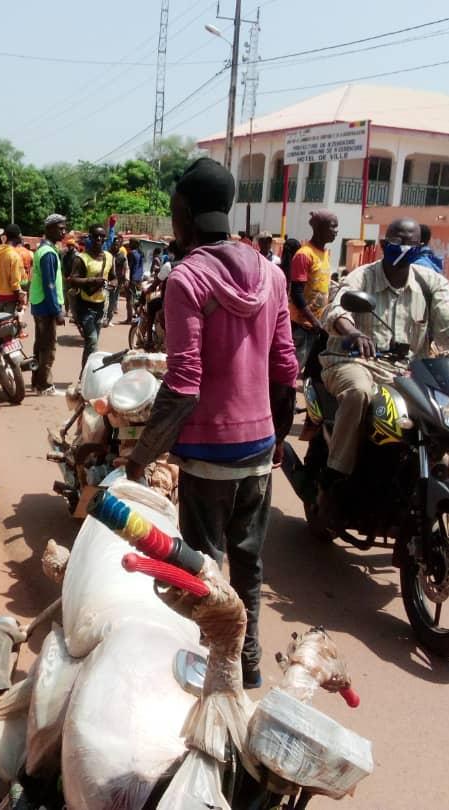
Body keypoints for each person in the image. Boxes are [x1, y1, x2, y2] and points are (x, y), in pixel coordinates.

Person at [125, 157, 299, 689]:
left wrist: (140, 456)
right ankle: (248, 665)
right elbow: (286, 367)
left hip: (208, 454)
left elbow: (184, 383)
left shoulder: (186, 278)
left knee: (202, 572)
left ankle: (209, 676)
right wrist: (278, 437)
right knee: (248, 563)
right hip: (259, 444)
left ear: (184, 213)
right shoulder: (272, 274)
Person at [320, 217, 449, 501]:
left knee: (446, 408)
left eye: (410, 242)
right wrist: (354, 332)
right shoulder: (363, 276)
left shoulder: (431, 283)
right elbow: (337, 310)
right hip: (356, 363)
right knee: (359, 392)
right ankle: (336, 472)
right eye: (396, 241)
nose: (402, 247)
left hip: (409, 373)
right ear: (383, 244)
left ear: (421, 247)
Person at [289, 210, 338, 376]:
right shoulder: (304, 255)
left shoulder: (325, 254)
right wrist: (313, 320)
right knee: (292, 371)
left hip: (317, 325)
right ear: (319, 228)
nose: (336, 231)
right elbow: (296, 293)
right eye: (333, 227)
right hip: (301, 325)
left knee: (311, 372)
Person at [67, 224, 115, 368]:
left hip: (101, 305)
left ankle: (85, 374)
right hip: (84, 305)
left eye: (102, 236)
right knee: (92, 341)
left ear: (105, 239)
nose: (99, 239)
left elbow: (113, 277)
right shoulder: (81, 258)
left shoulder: (109, 257)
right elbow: (73, 280)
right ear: (90, 238)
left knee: (91, 343)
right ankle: (89, 373)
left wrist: (112, 284)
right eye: (96, 236)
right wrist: (93, 280)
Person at [30, 214, 68, 395]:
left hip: (40, 304)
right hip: (46, 307)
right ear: (50, 229)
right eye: (60, 228)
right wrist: (57, 310)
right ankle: (44, 385)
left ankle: (36, 382)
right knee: (48, 347)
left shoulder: (44, 250)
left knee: (40, 345)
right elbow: (49, 284)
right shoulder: (48, 254)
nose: (64, 232)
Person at [0, 225, 27, 315]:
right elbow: (15, 283)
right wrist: (21, 299)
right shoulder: (14, 256)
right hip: (10, 299)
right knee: (10, 322)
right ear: (17, 237)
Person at [105, 234, 127, 327]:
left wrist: (125, 279)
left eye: (117, 245)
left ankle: (108, 319)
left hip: (117, 282)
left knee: (112, 301)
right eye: (114, 244)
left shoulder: (122, 256)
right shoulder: (107, 254)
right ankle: (102, 318)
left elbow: (125, 268)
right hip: (106, 280)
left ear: (119, 246)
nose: (115, 246)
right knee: (104, 300)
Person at [124, 238, 145, 323]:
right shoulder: (141, 253)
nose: (129, 244)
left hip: (132, 279)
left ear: (134, 244)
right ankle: (139, 317)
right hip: (139, 278)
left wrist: (127, 279)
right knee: (137, 298)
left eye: (130, 243)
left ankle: (129, 319)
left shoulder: (131, 253)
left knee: (129, 299)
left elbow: (129, 268)